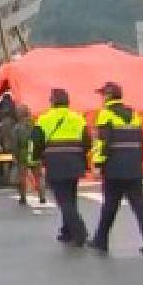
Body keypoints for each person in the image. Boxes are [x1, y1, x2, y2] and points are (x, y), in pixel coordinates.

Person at [88, 82, 143, 257]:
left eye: (103, 95)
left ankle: (101, 241)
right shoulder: (134, 114)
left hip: (114, 168)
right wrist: (140, 160)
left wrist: (98, 164)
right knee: (141, 209)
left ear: (108, 96)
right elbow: (141, 141)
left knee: (110, 206)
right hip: (134, 168)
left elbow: (102, 143)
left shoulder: (105, 115)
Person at [30, 89, 90, 246]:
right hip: (76, 162)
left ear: (52, 102)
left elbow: (36, 143)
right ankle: (67, 231)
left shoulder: (44, 120)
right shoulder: (78, 118)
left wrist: (34, 159)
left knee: (64, 201)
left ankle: (79, 232)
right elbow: (87, 142)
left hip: (55, 163)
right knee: (71, 198)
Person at [12, 104, 47, 206]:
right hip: (35, 153)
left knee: (22, 176)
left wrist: (14, 155)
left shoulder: (17, 128)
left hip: (23, 154)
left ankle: (23, 197)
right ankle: (42, 196)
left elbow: (15, 144)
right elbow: (41, 140)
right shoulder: (36, 125)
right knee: (39, 176)